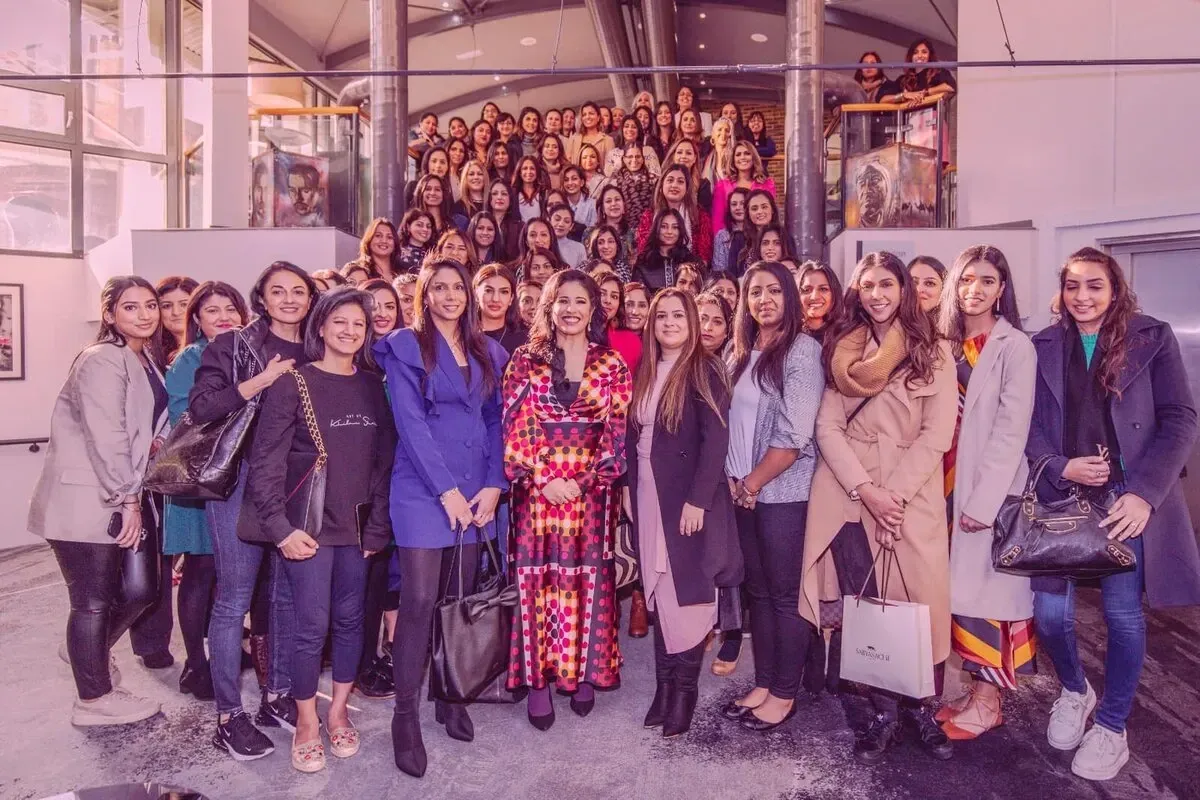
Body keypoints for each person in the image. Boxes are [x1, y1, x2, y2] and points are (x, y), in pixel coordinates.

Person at [1026, 247, 1199, 781]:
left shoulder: (1152, 336)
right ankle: (1075, 689)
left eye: (1094, 285)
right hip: (1062, 494)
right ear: (1061, 290)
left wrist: (1145, 493)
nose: (1082, 296)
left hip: (1126, 497)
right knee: (1049, 615)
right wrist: (1059, 465)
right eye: (1073, 285)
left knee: (1123, 615)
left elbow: (1180, 418)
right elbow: (1028, 423)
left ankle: (1111, 725)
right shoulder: (1042, 343)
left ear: (1115, 288)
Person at [800, 251, 956, 764]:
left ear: (903, 289)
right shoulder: (843, 346)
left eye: (886, 284)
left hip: (912, 493)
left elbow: (937, 434)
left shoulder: (933, 349)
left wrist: (895, 497)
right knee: (866, 604)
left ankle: (921, 709)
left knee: (921, 603)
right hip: (850, 492)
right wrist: (866, 490)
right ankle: (882, 713)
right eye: (867, 285)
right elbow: (827, 427)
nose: (877, 294)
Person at [246, 288, 396, 773]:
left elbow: (384, 464)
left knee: (352, 623)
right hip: (306, 531)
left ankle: (338, 712)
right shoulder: (294, 383)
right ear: (322, 326)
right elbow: (266, 463)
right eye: (340, 321)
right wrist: (280, 528)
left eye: (359, 324)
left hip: (358, 532)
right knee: (310, 627)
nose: (350, 331)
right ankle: (307, 721)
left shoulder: (373, 386)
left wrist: (378, 528)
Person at [375, 260, 508, 779]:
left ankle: (450, 694)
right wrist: (446, 491)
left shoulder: (486, 349)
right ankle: (405, 716)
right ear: (424, 294)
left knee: (460, 598)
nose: (450, 296)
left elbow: (496, 419)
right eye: (440, 287)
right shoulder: (405, 346)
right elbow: (410, 424)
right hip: (423, 489)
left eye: (459, 287)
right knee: (419, 602)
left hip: (476, 490)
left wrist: (494, 484)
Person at [29, 276, 169, 727]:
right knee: (92, 601)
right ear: (109, 314)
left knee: (141, 590)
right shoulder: (103, 358)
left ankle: (86, 649)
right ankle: (93, 700)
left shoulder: (144, 358)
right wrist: (128, 499)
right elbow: (106, 434)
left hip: (124, 494)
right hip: (89, 499)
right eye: (131, 307)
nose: (145, 314)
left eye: (150, 305)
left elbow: (141, 427)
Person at [190, 261, 317, 760]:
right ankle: (229, 716)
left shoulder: (317, 346)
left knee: (286, 595)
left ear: (311, 298)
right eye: (277, 291)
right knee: (234, 599)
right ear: (261, 299)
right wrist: (261, 381)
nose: (289, 299)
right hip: (240, 481)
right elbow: (201, 408)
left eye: (298, 291)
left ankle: (278, 694)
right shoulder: (234, 346)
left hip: (295, 483)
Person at [502, 269, 632, 729]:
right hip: (536, 493)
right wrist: (542, 477)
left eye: (580, 301)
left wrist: (584, 481)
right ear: (549, 307)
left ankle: (585, 673)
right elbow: (514, 422)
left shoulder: (611, 363)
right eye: (563, 300)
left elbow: (617, 431)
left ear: (594, 308)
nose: (571, 309)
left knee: (588, 582)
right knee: (537, 584)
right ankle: (539, 683)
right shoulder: (525, 359)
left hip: (591, 495)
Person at [931, 246, 1037, 741]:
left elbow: (1012, 433)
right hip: (940, 485)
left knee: (987, 598)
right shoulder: (944, 344)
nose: (975, 289)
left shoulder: (1015, 346)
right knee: (955, 595)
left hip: (983, 489)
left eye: (987, 281)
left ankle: (990, 702)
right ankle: (974, 693)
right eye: (967, 279)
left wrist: (983, 502)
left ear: (1002, 289)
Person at [626, 288, 740, 737]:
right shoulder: (646, 369)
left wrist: (699, 500)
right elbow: (634, 437)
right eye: (662, 316)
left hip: (687, 500)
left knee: (687, 596)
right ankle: (663, 689)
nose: (669, 323)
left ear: (692, 322)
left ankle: (684, 695)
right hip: (648, 493)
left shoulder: (705, 368)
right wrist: (628, 491)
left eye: (678, 315)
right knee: (658, 592)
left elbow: (716, 440)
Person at [719, 262, 824, 730]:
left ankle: (784, 693)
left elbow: (795, 433)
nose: (764, 300)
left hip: (782, 493)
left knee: (784, 596)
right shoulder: (739, 351)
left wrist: (752, 483)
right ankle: (763, 683)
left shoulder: (802, 351)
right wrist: (733, 480)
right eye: (755, 292)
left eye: (774, 291)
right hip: (743, 491)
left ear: (789, 297)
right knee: (757, 594)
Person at [165, 281, 250, 702]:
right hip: (199, 481)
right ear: (196, 319)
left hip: (239, 479)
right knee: (200, 571)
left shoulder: (250, 353)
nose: (223, 317)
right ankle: (195, 663)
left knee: (229, 574)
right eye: (212, 310)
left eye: (230, 308)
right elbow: (187, 416)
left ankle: (224, 651)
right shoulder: (190, 358)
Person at [635, 164, 714, 264]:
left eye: (680, 181)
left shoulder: (699, 216)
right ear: (661, 186)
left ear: (687, 189)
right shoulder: (649, 216)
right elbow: (643, 253)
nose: (674, 185)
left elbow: (703, 259)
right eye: (670, 180)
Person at [712, 141, 776, 233]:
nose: (742, 157)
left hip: (760, 235)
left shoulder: (766, 184)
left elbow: (771, 216)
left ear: (753, 157)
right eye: (738, 155)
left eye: (747, 153)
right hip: (732, 236)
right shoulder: (722, 185)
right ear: (733, 159)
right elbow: (718, 219)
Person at [633, 209, 697, 293]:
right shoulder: (644, 262)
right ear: (656, 229)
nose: (669, 232)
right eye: (664, 226)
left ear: (680, 230)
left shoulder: (690, 260)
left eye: (675, 227)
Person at [880, 39, 957, 106]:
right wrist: (904, 95)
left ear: (930, 55)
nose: (919, 56)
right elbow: (883, 100)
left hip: (933, 116)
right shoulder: (903, 80)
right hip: (908, 118)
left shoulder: (938, 72)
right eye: (915, 52)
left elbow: (951, 87)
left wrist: (925, 93)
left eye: (924, 52)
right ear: (911, 56)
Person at [594, 268, 643, 373]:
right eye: (602, 293)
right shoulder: (575, 335)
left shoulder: (630, 342)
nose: (608, 300)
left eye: (614, 296)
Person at [474, 262, 528, 355]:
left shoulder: (524, 340)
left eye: (504, 292)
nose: (495, 299)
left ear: (511, 298)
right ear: (476, 294)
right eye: (488, 291)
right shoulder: (461, 336)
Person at [797, 261, 844, 343]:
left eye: (823, 289)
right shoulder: (787, 336)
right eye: (807, 290)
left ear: (834, 293)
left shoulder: (846, 335)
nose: (814, 297)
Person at [347, 218, 403, 282]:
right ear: (369, 239)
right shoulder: (356, 271)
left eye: (389, 237)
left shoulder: (404, 272)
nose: (384, 241)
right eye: (378, 236)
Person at [712, 188, 749, 275]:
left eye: (742, 203)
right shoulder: (722, 235)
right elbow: (719, 269)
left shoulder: (758, 232)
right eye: (734, 204)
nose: (738, 208)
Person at [548, 203, 587, 269]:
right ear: (549, 221)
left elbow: (582, 273)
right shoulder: (541, 244)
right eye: (557, 219)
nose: (561, 224)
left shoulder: (579, 248)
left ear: (571, 226)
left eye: (566, 221)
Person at [397, 209, 436, 274]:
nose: (425, 229)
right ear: (408, 227)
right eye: (419, 225)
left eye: (428, 226)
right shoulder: (397, 253)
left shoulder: (434, 255)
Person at [697, 289, 734, 356]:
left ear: (726, 331)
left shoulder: (731, 361)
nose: (708, 328)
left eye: (717, 322)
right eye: (702, 319)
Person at [512, 156, 547, 222]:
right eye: (525, 168)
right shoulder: (513, 194)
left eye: (532, 168)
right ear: (520, 172)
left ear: (537, 172)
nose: (529, 171)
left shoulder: (544, 194)